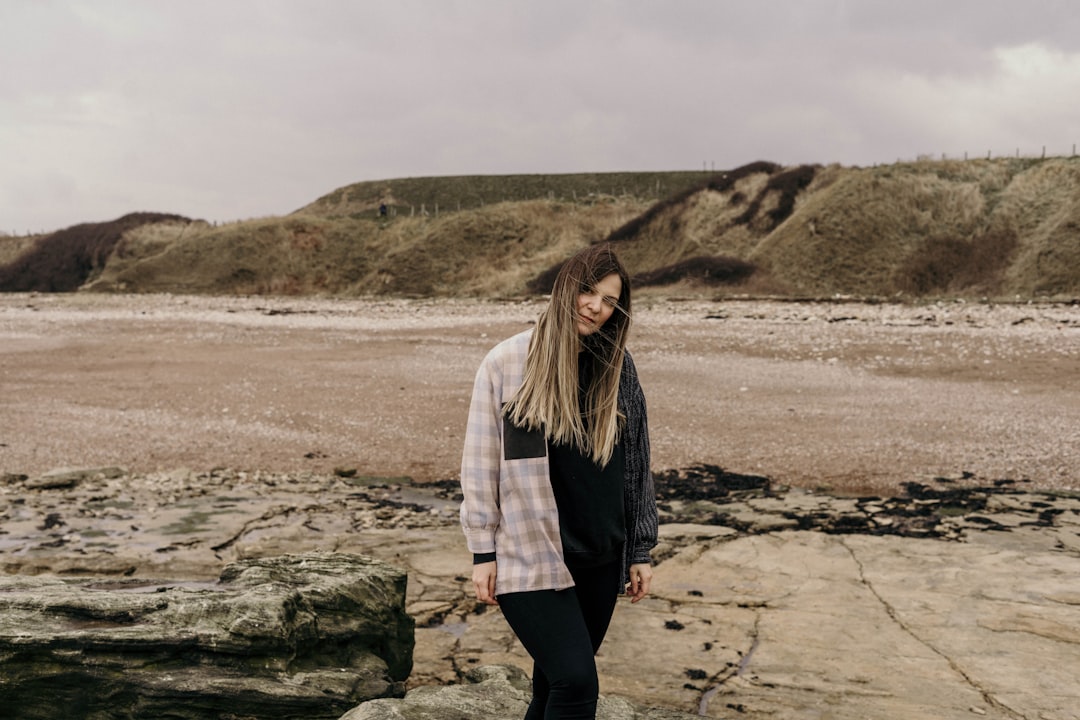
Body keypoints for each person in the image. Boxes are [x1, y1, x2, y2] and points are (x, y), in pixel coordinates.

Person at [460, 243, 658, 719]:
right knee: (576, 684)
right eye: (589, 291)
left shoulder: (617, 366)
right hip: (531, 554)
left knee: (552, 688)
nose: (596, 306)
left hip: (600, 553)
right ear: (565, 287)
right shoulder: (508, 362)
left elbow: (636, 462)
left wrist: (640, 549)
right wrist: (482, 552)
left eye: (610, 301)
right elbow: (481, 459)